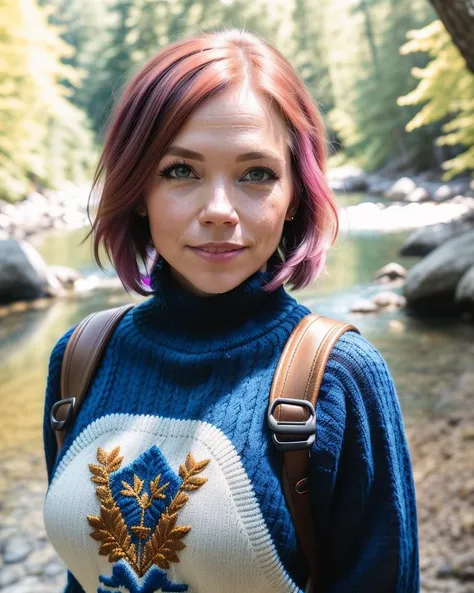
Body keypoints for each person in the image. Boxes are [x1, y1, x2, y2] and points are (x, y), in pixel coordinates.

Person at [43, 28, 419, 593]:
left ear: (296, 195)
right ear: (138, 189)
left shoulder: (340, 378)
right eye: (180, 171)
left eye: (256, 174)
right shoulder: (78, 359)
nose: (219, 210)